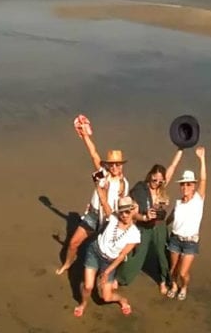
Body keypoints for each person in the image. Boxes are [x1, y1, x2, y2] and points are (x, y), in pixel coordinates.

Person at [56, 114, 130, 275]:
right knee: (74, 243)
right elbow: (94, 153)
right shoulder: (103, 173)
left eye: (119, 164)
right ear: (109, 165)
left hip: (109, 219)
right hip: (93, 215)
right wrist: (85, 136)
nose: (116, 167)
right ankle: (68, 263)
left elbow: (124, 207)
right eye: (113, 164)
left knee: (110, 252)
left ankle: (112, 275)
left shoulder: (124, 184)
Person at [117, 149, 183, 294]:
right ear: (150, 176)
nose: (157, 184)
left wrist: (180, 149)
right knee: (137, 253)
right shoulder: (140, 189)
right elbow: (133, 214)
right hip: (143, 227)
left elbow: (172, 168)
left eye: (160, 181)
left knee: (162, 255)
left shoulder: (161, 189)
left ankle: (163, 281)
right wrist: (145, 217)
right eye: (154, 180)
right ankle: (121, 278)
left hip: (159, 227)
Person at [74, 194, 140, 317]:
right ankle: (83, 304)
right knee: (88, 286)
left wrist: (106, 272)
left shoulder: (135, 234)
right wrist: (98, 184)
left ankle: (122, 300)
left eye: (127, 212)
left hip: (109, 262)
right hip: (95, 251)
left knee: (106, 297)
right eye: (121, 212)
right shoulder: (113, 217)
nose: (124, 215)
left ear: (132, 211)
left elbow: (121, 256)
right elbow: (103, 200)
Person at [166, 145, 207, 301]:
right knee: (173, 270)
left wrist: (202, 159)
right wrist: (162, 223)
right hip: (175, 239)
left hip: (190, 242)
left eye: (189, 184)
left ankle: (184, 286)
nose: (185, 187)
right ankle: (174, 285)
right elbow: (171, 217)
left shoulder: (198, 200)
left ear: (194, 186)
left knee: (183, 273)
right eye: (183, 184)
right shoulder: (178, 203)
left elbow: (204, 179)